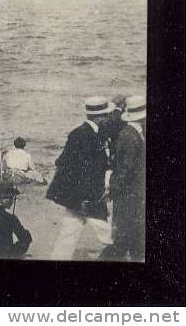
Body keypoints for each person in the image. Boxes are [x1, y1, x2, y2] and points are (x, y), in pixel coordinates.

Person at [46, 97, 114, 260]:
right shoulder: (84, 135)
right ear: (99, 117)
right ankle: (121, 255)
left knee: (69, 232)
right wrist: (83, 198)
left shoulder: (85, 133)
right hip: (86, 195)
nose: (108, 119)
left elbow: (63, 161)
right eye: (106, 115)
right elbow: (75, 168)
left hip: (78, 195)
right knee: (104, 231)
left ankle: (58, 258)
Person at [100, 95, 146, 262]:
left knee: (133, 237)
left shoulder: (133, 133)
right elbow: (125, 169)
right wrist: (113, 190)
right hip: (129, 194)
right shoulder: (130, 136)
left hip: (132, 194)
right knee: (124, 237)